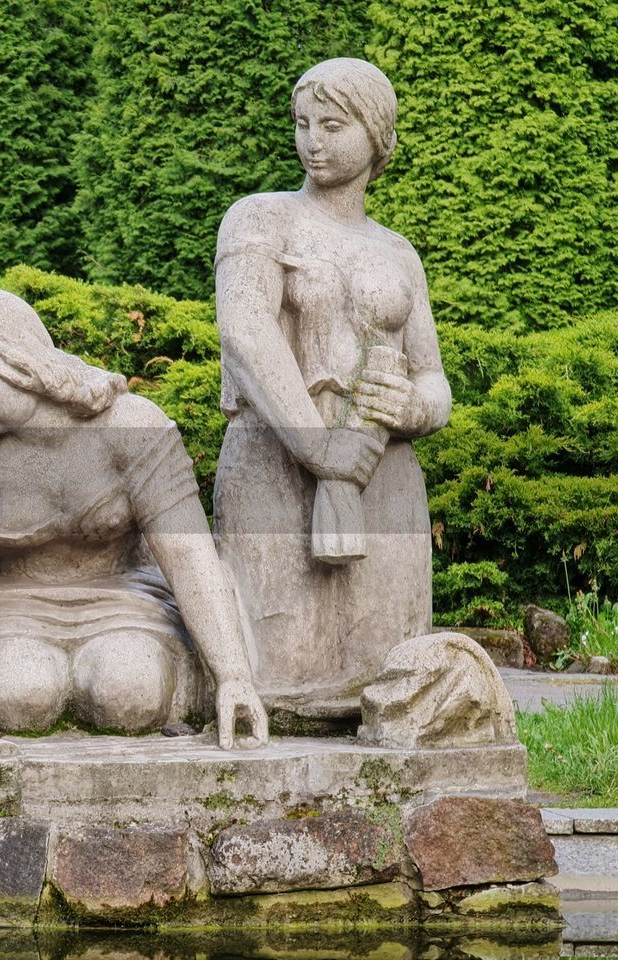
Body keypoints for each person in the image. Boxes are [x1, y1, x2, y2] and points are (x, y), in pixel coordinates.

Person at [0, 289, 268, 753]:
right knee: (18, 694)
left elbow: (189, 555)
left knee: (129, 690)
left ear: (20, 365)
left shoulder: (134, 427)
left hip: (121, 595)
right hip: (11, 605)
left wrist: (232, 676)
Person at [212, 58, 452, 720]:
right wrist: (321, 448)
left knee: (385, 671)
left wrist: (412, 407)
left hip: (383, 472)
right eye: (302, 124)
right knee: (280, 669)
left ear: (377, 137)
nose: (313, 140)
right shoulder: (260, 219)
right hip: (277, 460)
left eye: (333, 125)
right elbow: (246, 332)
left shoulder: (398, 252)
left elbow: (432, 376)